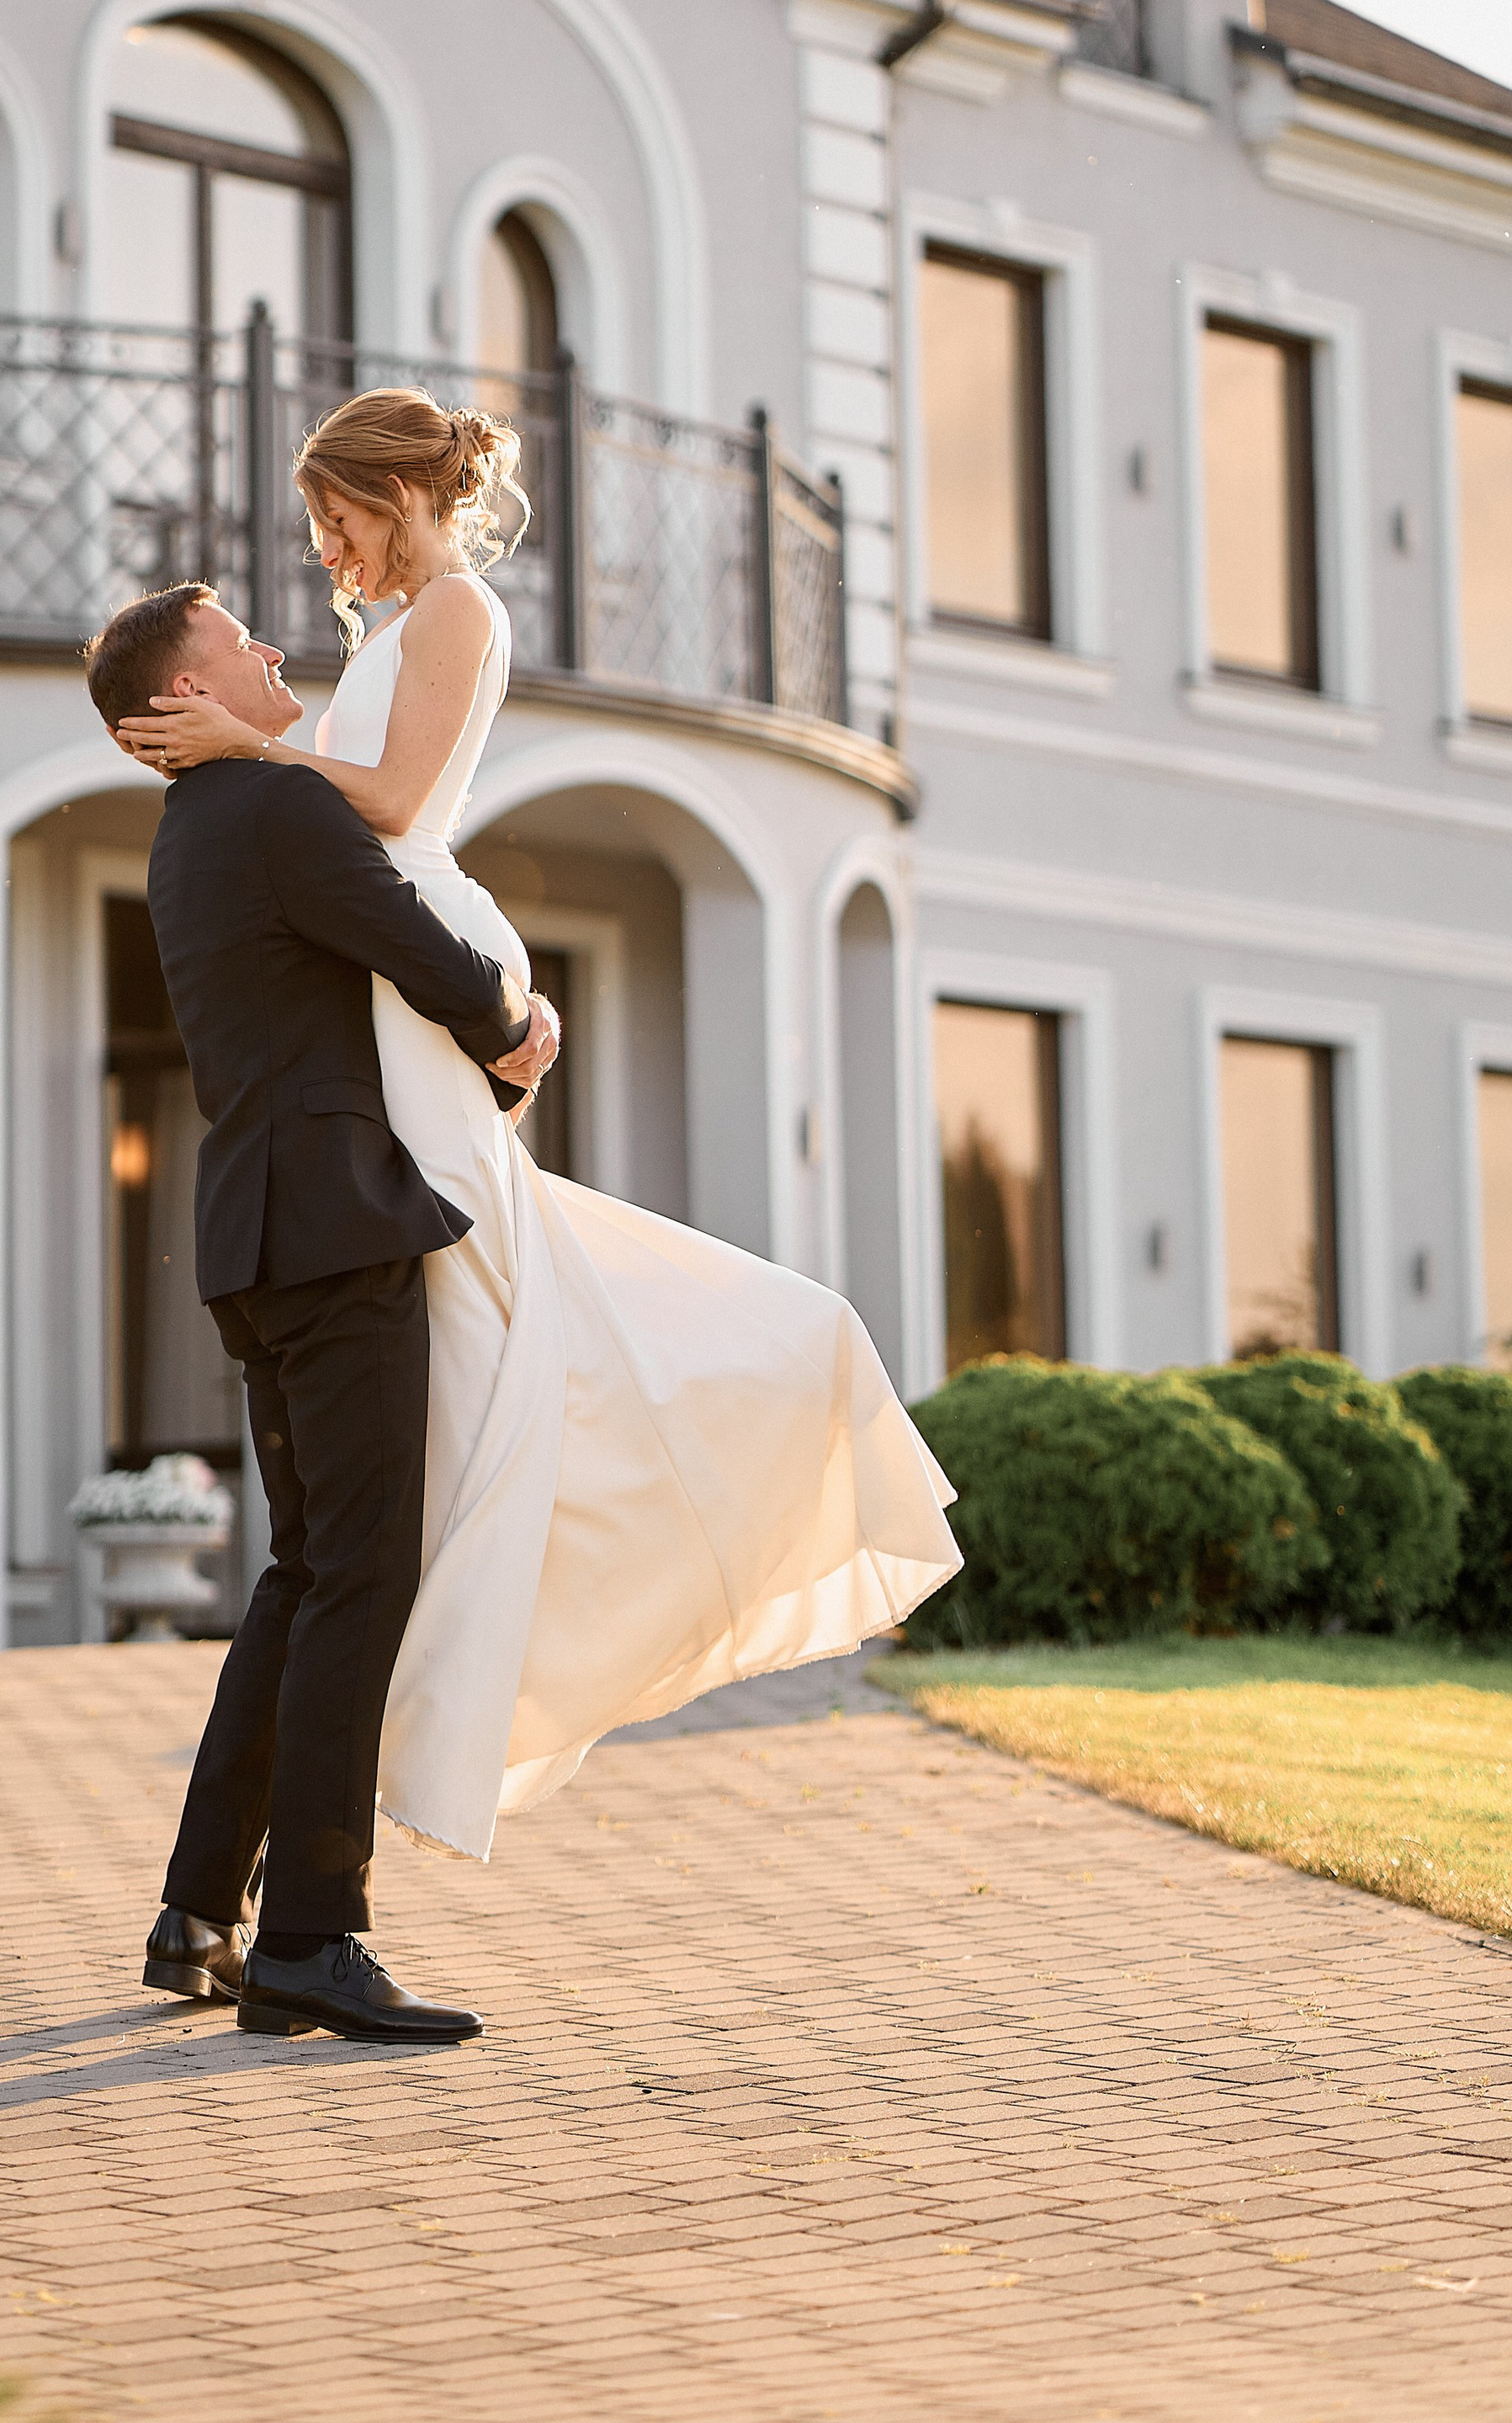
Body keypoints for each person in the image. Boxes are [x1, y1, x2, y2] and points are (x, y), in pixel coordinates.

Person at [117, 388, 963, 1871]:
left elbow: (381, 801)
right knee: (392, 1483)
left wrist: (250, 759)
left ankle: (720, 1424)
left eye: (336, 513)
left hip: (396, 981)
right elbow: (350, 838)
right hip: (373, 1025)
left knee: (430, 1419)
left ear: (398, 492)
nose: (323, 549)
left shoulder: (449, 614)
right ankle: (302, 1893)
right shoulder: (351, 676)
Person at [82, 583, 560, 2045]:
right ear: (179, 696)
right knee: (362, 1575)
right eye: (234, 641)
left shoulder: (184, 839)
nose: (270, 653)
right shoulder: (279, 812)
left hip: (255, 1240)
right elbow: (408, 937)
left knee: (304, 1574)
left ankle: (200, 1911)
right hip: (337, 1236)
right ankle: (313, 1935)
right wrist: (513, 1033)